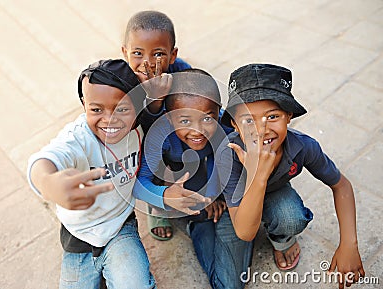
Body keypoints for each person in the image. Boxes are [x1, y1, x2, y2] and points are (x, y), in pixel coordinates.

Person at [216, 63, 365, 287]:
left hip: (274, 192)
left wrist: (349, 244)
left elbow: (341, 185)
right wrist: (258, 176)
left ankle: (282, 239)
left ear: (289, 116)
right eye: (248, 120)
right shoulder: (228, 154)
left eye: (272, 116)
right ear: (235, 125)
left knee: (290, 217)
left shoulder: (303, 147)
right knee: (229, 280)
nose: (261, 129)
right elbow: (245, 232)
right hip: (236, 203)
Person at [27, 59, 156, 289]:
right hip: (79, 236)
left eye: (122, 109)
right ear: (84, 105)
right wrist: (48, 183)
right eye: (96, 110)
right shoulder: (78, 137)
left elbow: (156, 110)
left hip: (120, 226)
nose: (110, 119)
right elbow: (44, 160)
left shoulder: (139, 126)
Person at [133, 69, 254, 289]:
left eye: (207, 118)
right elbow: (139, 183)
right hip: (178, 184)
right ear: (169, 118)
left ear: (219, 112)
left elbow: (230, 165)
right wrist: (164, 196)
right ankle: (177, 216)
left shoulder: (227, 130)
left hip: (215, 191)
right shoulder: (160, 138)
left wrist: (216, 195)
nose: (197, 130)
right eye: (185, 120)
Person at [122, 10, 192, 240]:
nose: (147, 63)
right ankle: (158, 204)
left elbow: (203, 105)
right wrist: (153, 102)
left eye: (158, 54)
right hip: (144, 143)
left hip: (177, 136)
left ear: (173, 55)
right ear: (125, 53)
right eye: (138, 53)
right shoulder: (124, 84)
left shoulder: (181, 72)